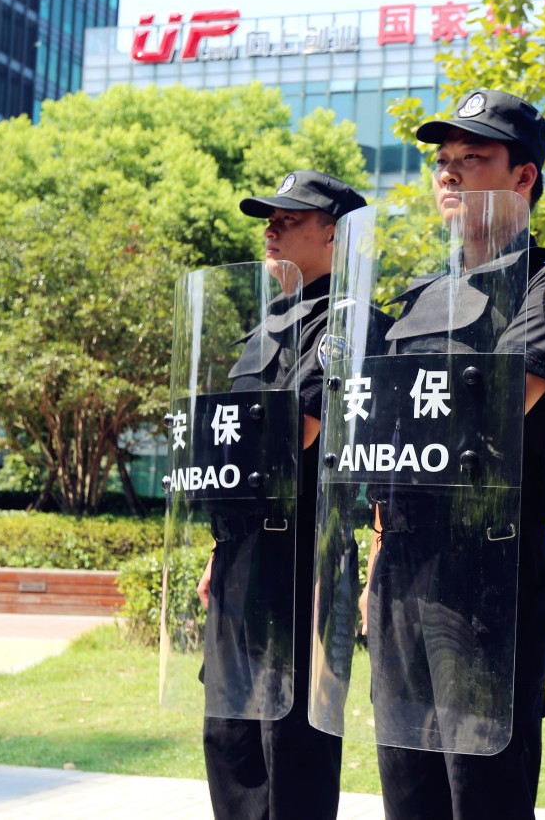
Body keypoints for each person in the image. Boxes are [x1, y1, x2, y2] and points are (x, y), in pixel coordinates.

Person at [361, 89, 545, 820]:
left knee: (482, 787)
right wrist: (376, 562)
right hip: (402, 567)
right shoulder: (417, 299)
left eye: (473, 158)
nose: (450, 173)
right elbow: (380, 446)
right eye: (444, 161)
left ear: (524, 176)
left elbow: (492, 408)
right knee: (408, 784)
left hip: (490, 568)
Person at [197, 170, 366, 820]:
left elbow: (293, 432)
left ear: (334, 234)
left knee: (291, 748)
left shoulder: (348, 321)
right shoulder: (267, 326)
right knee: (230, 740)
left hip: (303, 563)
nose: (271, 229)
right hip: (243, 558)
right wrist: (221, 548)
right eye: (269, 219)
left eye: (289, 219)